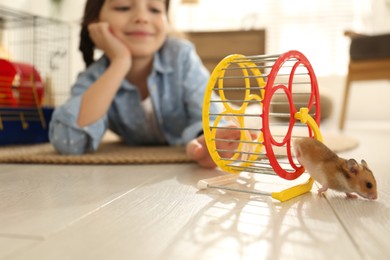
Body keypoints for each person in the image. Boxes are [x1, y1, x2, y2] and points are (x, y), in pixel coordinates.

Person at [49, 0, 241, 168]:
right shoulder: (95, 77)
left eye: (155, 9)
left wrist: (206, 139)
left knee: (241, 120)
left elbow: (211, 115)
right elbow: (69, 141)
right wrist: (120, 61)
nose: (142, 17)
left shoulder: (180, 56)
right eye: (123, 7)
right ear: (95, 24)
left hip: (205, 124)